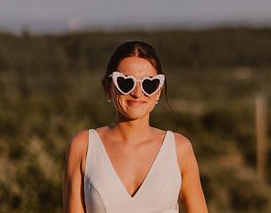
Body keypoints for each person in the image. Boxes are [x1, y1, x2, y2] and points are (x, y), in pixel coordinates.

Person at [64, 40, 208, 213]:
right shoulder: (83, 146)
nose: (137, 93)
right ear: (109, 87)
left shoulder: (179, 149)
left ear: (158, 92)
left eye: (149, 84)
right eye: (126, 82)